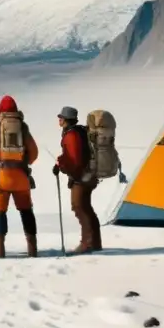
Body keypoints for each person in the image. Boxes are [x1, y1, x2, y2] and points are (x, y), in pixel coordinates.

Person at [0, 95, 39, 258]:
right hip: (21, 178)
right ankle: (32, 248)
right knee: (26, 210)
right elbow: (34, 153)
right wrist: (24, 162)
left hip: (1, 178)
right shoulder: (23, 127)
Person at [52, 107, 101, 253]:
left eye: (61, 117)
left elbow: (75, 160)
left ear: (66, 119)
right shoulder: (78, 132)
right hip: (88, 175)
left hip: (81, 177)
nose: (59, 120)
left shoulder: (72, 135)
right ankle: (94, 242)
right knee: (86, 208)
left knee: (79, 207)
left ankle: (88, 243)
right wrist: (61, 162)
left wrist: (62, 166)